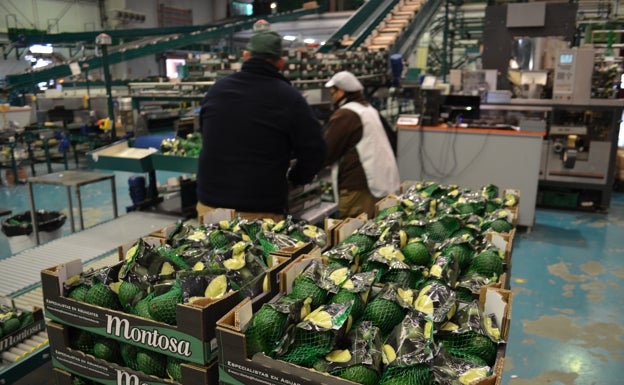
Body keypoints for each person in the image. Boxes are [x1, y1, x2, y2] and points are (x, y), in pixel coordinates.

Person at [196, 24, 327, 221]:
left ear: (246, 56)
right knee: (253, 253)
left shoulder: (216, 90)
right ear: (281, 63)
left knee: (209, 252)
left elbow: (205, 132)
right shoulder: (289, 98)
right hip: (257, 211)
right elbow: (316, 151)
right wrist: (296, 178)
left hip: (209, 206)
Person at [324, 71, 401, 219]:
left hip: (359, 187)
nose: (332, 96)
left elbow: (328, 151)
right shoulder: (368, 109)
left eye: (332, 92)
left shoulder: (346, 114)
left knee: (353, 233)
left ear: (341, 91)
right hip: (381, 181)